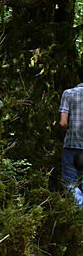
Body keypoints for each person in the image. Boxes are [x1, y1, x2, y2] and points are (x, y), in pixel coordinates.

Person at [59, 64, 83, 206]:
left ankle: (79, 213)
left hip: (72, 146)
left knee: (70, 184)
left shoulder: (68, 94)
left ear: (78, 77)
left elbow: (63, 123)